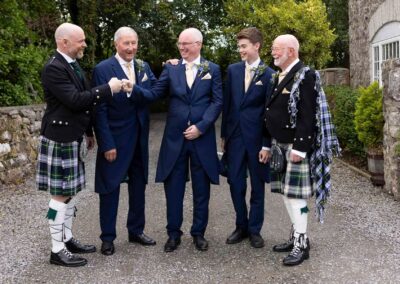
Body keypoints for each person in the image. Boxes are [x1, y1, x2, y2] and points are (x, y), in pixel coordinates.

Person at [129, 28, 223, 252]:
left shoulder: (213, 69)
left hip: (201, 138)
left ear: (199, 44)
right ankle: (173, 234)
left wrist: (201, 127)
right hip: (175, 139)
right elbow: (155, 94)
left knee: (202, 189)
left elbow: (217, 102)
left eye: (186, 44)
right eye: (180, 44)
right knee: (174, 188)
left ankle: (198, 233)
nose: (181, 48)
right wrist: (134, 88)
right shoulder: (171, 68)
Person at [37, 22, 122, 267]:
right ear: (64, 42)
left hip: (72, 136)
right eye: (80, 40)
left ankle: (67, 237)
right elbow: (75, 100)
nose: (84, 44)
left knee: (70, 193)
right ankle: (56, 249)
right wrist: (109, 88)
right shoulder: (54, 68)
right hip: (59, 138)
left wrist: (88, 131)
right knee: (58, 196)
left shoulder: (71, 65)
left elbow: (83, 104)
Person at [262, 34, 340, 266]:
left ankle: (301, 243)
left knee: (296, 198)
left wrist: (300, 148)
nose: (273, 53)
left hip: (294, 147)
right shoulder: (278, 76)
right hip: (278, 144)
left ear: (291, 51)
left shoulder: (306, 75)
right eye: (273, 49)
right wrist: (267, 143)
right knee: (287, 195)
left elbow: (308, 115)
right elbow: (268, 112)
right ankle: (297, 235)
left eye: (277, 49)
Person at [92, 27, 157, 256]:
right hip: (115, 141)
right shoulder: (102, 69)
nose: (131, 48)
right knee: (110, 188)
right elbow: (98, 110)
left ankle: (136, 231)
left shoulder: (144, 67)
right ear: (116, 44)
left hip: (139, 138)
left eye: (134, 43)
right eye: (126, 43)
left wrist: (134, 89)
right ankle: (108, 237)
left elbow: (153, 95)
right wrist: (106, 143)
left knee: (138, 187)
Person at [221, 27, 274, 248]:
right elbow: (227, 105)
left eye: (243, 46)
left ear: (256, 46)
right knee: (235, 183)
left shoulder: (270, 74)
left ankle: (254, 230)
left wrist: (266, 144)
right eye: (239, 46)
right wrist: (224, 135)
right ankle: (241, 225)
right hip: (234, 138)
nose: (240, 50)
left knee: (258, 186)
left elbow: (270, 113)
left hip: (256, 141)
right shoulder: (233, 71)